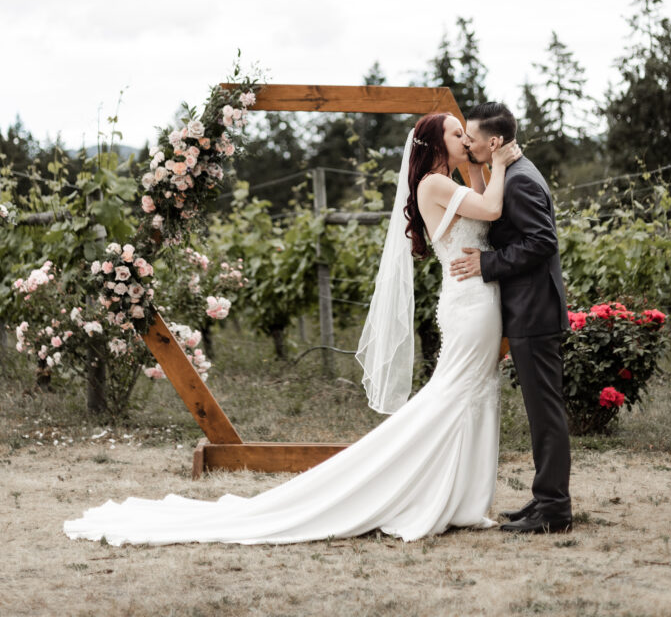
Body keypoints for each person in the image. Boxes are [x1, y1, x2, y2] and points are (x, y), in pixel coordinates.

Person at [64, 113, 519, 547]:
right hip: (470, 305)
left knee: (471, 393)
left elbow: (483, 205)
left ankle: (460, 498)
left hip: (474, 300)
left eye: (467, 135)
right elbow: (494, 208)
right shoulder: (435, 182)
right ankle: (423, 488)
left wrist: (481, 164)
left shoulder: (449, 181)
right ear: (436, 144)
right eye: (458, 134)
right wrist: (498, 161)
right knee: (456, 395)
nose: (466, 140)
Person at [450, 102, 572, 534]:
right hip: (529, 309)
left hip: (534, 312)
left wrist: (487, 264)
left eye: (472, 136)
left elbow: (541, 242)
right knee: (542, 412)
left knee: (546, 413)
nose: (467, 141)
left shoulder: (520, 182)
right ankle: (545, 500)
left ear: (495, 142)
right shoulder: (517, 173)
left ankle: (554, 511)